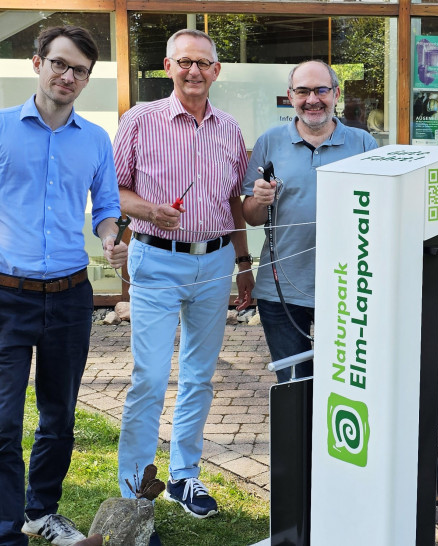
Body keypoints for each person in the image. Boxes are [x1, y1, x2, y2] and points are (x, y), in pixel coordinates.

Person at [114, 28, 254, 527]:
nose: (194, 71)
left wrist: (243, 265)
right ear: (168, 67)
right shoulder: (140, 120)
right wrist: (149, 209)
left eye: (203, 63)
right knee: (149, 378)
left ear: (217, 71)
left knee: (198, 377)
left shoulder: (230, 130)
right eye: (184, 62)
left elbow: (235, 203)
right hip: (156, 259)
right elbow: (114, 193)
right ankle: (134, 485)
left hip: (214, 262)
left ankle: (183, 475)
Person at [0, 25, 128, 546]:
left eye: (79, 69)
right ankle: (8, 528)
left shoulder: (96, 140)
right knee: (4, 423)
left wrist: (111, 237)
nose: (67, 75)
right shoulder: (3, 129)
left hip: (71, 296)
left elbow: (107, 208)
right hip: (7, 296)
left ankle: (40, 512)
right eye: (59, 63)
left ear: (87, 79)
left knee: (59, 417)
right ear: (37, 63)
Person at [242, 60, 377, 382]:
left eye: (321, 90)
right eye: (303, 91)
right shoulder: (269, 142)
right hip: (283, 291)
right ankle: (299, 436)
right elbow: (251, 217)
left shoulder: (363, 144)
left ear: (336, 94)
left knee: (344, 384)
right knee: (294, 385)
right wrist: (260, 200)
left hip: (350, 288)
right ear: (290, 96)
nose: (312, 99)